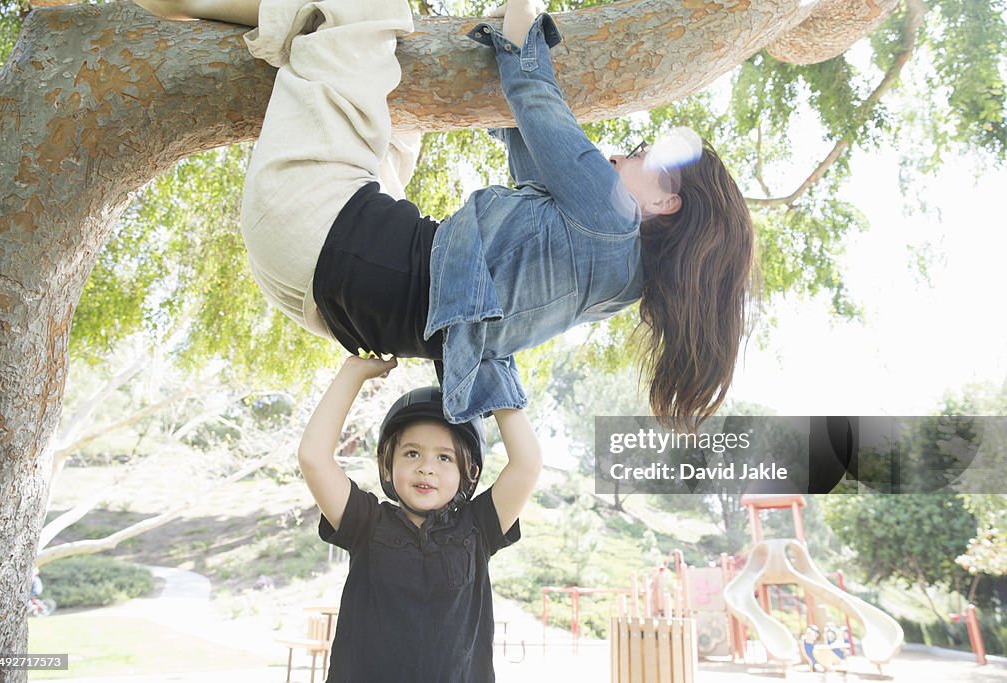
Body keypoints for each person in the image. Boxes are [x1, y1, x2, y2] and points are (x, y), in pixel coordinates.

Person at [136, 0, 756, 429]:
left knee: (367, 8)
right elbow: (526, 143)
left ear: (663, 202)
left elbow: (534, 95)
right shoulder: (615, 280)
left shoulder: (613, 214)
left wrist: (520, 21)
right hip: (328, 298)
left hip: (325, 233)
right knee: (400, 116)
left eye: (645, 155)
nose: (625, 151)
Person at [297, 354, 542, 681]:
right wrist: (353, 374)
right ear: (388, 464)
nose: (426, 467)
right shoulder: (366, 523)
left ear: (468, 472)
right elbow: (313, 458)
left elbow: (526, 464)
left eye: (444, 457)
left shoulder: (478, 526)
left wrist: (493, 378)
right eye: (412, 453)